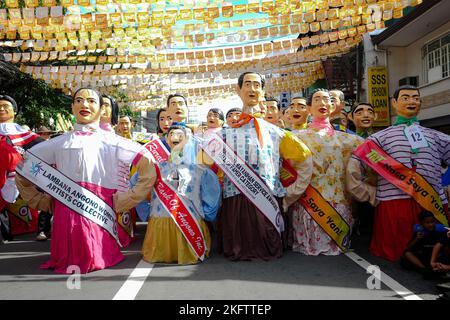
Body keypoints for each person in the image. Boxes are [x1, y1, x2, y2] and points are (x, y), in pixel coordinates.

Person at [15, 87, 155, 274]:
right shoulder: (59, 142)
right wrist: (42, 201)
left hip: (101, 204)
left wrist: (129, 198)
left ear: (100, 109)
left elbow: (147, 163)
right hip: (65, 205)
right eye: (79, 100)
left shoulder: (113, 141)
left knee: (97, 249)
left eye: (91, 101)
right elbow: (23, 169)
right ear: (72, 107)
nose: (84, 104)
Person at [214, 72, 312, 261]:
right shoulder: (223, 134)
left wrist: (290, 194)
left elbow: (304, 159)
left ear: (263, 91)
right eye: (247, 84)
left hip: (267, 196)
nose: (252, 88)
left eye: (257, 85)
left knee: (268, 247)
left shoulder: (276, 132)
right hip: (235, 196)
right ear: (238, 90)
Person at [347, 85, 450, 261]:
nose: (412, 101)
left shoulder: (436, 136)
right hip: (394, 202)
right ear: (394, 103)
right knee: (398, 252)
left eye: (415, 98)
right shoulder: (379, 138)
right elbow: (354, 168)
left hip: (432, 200)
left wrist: (445, 186)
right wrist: (372, 194)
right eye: (406, 97)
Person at [290, 89, 363, 256]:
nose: (322, 103)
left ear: (332, 106)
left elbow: (368, 153)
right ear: (309, 108)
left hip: (337, 193)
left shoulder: (347, 139)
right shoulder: (296, 137)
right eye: (317, 100)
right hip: (309, 195)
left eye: (326, 100)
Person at [141, 124, 221, 264]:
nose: (175, 137)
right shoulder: (156, 167)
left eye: (179, 134)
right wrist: (145, 210)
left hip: (190, 220)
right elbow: (138, 187)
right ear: (166, 139)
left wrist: (207, 212)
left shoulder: (199, 169)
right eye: (171, 134)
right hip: (162, 217)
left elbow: (212, 191)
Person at [0, 95, 43, 241]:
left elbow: (42, 149)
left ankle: (34, 228)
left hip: (21, 178)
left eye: (6, 106)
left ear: (15, 111)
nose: (1, 108)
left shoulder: (25, 134)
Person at [401, 211, 448, 275]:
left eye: (432, 222)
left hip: (436, 256)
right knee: (407, 254)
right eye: (427, 223)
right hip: (423, 256)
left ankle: (436, 269)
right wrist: (416, 239)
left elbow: (442, 245)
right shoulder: (420, 233)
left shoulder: (440, 231)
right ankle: (423, 269)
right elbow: (408, 247)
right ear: (421, 224)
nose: (431, 224)